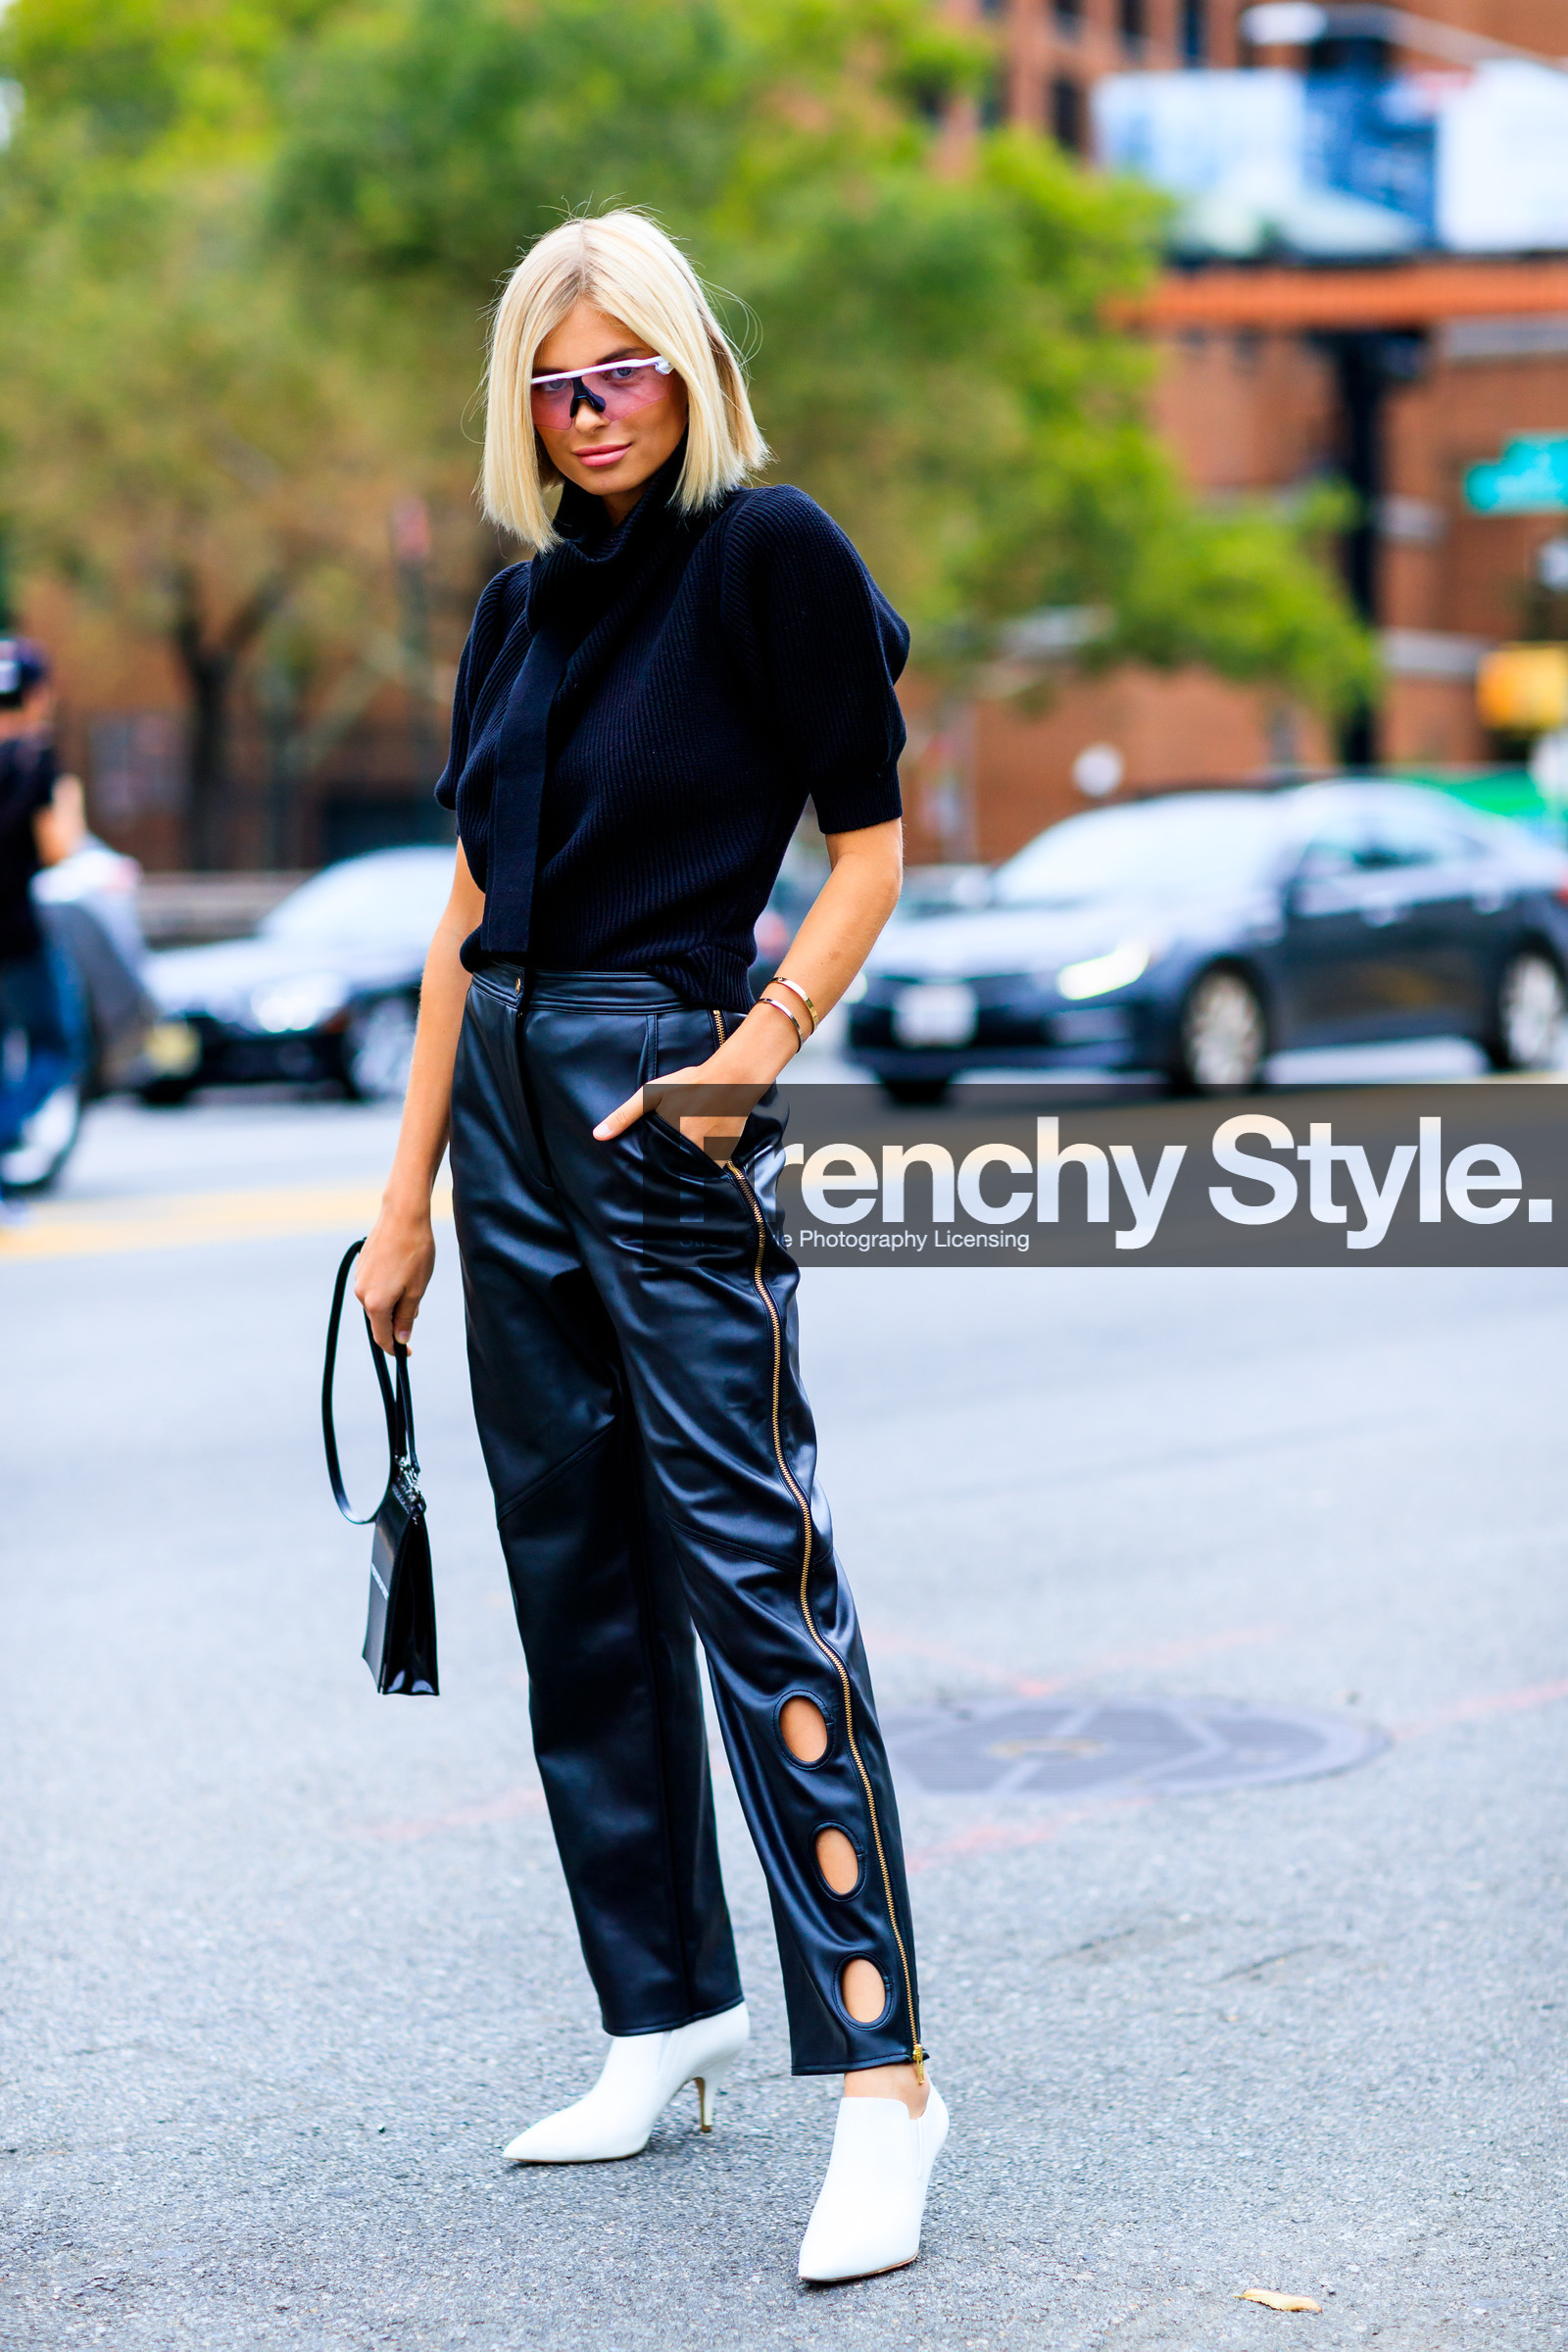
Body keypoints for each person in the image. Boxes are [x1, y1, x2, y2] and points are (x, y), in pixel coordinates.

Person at [354, 211, 946, 2283]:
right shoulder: (514, 614)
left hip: (660, 1075)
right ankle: (660, 2012)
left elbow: (867, 851)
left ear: (687, 371)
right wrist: (404, 1191)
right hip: (509, 1091)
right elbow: (457, 916)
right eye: (551, 379)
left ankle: (883, 2079)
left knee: (747, 1566)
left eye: (620, 370)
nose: (588, 409)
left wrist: (749, 1058)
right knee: (572, 1581)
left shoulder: (765, 555)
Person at [0, 639, 83, 1189]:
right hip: (14, 931)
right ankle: (7, 1134)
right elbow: (59, 848)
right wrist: (67, 794)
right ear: (37, 693)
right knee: (58, 1044)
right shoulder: (35, 757)